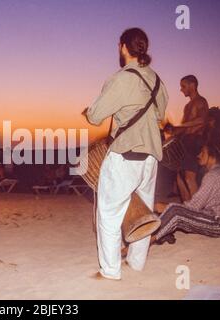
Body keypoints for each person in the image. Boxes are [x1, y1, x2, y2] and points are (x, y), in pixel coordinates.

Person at [84, 28, 168, 280]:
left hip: (125, 154)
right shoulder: (157, 81)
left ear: (122, 47)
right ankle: (137, 262)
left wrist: (87, 112)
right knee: (144, 209)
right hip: (151, 157)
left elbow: (96, 115)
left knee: (109, 213)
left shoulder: (121, 78)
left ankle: (110, 271)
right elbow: (160, 117)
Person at [154, 142, 220, 243]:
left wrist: (165, 207)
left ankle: (149, 239)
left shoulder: (213, 175)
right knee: (173, 210)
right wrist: (178, 173)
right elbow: (194, 205)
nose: (198, 155)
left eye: (202, 152)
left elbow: (192, 207)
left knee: (174, 211)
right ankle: (163, 232)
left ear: (212, 155)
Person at [174, 75, 209, 201]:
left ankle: (196, 212)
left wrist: (182, 125)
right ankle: (187, 209)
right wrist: (173, 130)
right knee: (180, 177)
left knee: (189, 177)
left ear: (192, 85)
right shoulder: (187, 106)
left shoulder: (201, 101)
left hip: (195, 141)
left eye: (183, 86)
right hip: (185, 141)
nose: (181, 89)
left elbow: (202, 120)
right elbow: (184, 128)